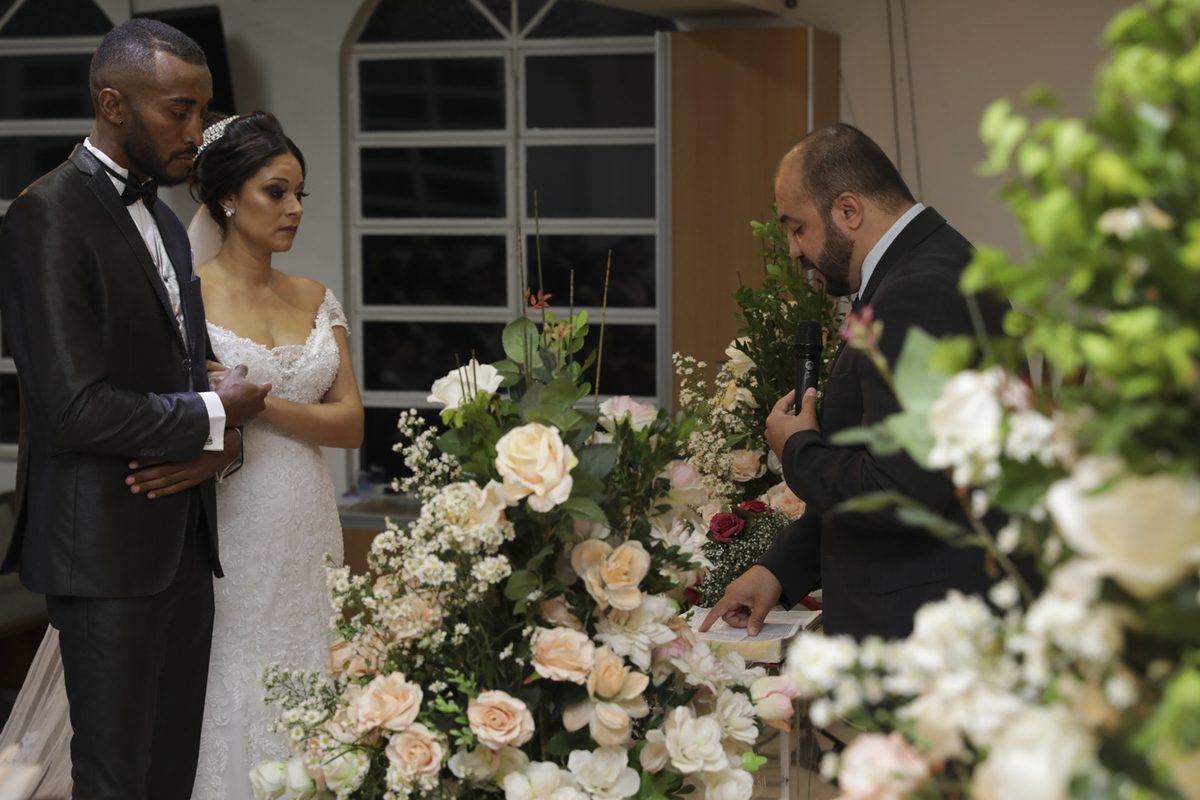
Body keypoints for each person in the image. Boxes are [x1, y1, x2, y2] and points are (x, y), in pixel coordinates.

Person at [0, 19, 271, 800]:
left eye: (204, 110)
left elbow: (181, 370)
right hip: (105, 550)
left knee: (168, 777)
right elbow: (75, 406)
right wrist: (218, 418)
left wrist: (218, 425)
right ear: (114, 103)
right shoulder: (45, 214)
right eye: (178, 111)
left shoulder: (161, 218)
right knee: (116, 782)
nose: (198, 131)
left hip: (184, 540)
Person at [702, 123, 1014, 641]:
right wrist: (779, 571)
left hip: (923, 627)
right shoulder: (933, 264)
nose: (793, 250)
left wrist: (797, 449)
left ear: (848, 211)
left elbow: (902, 490)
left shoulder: (915, 292)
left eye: (797, 227)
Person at [154, 110, 363, 800]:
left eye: (301, 194)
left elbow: (351, 424)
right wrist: (237, 414)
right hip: (230, 515)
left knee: (312, 657)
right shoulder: (184, 300)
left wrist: (260, 401)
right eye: (277, 192)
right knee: (234, 665)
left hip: (308, 514)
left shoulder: (314, 296)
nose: (295, 209)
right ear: (226, 197)